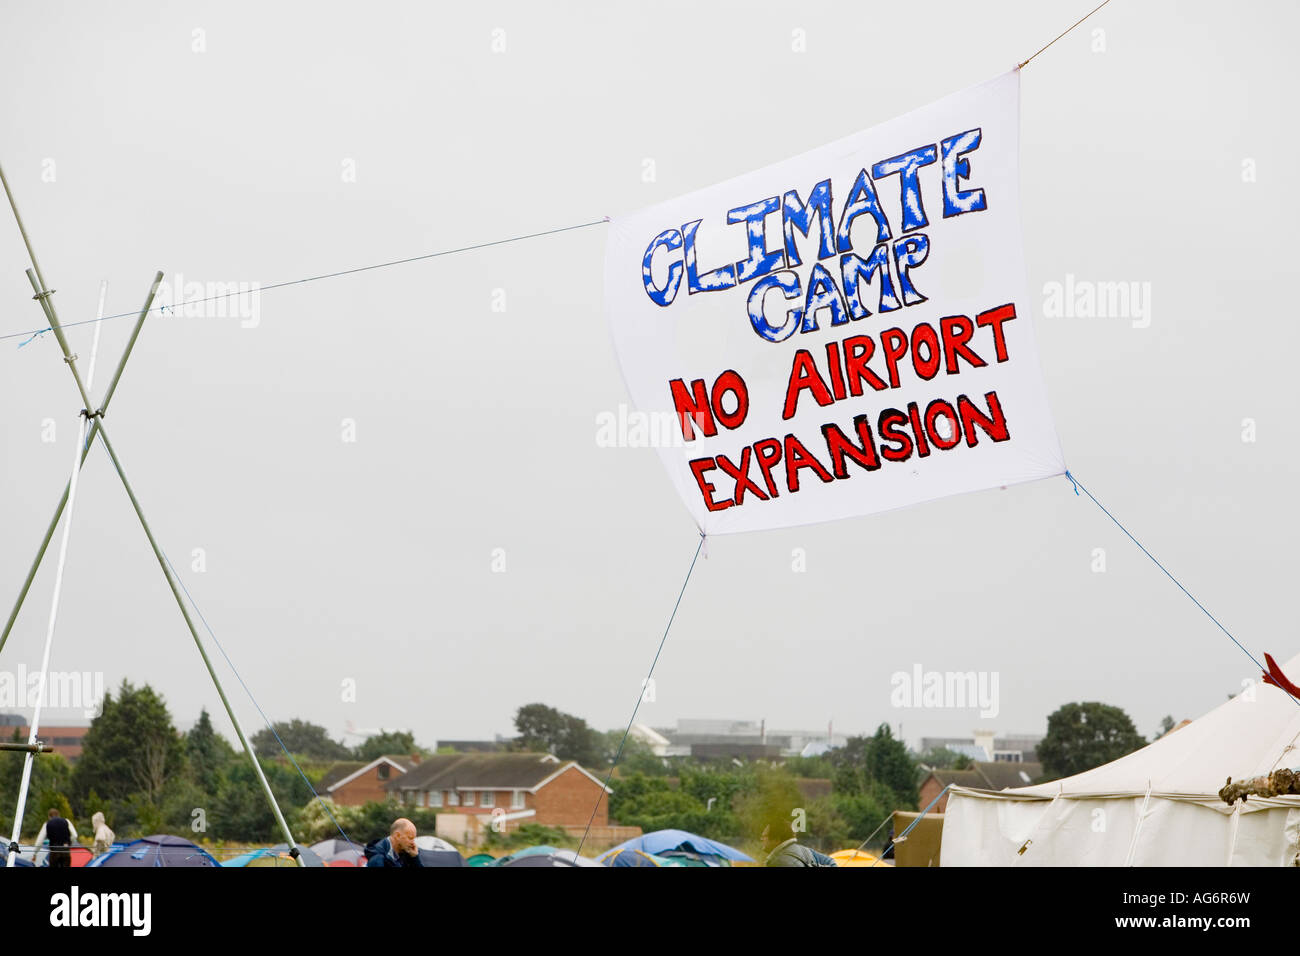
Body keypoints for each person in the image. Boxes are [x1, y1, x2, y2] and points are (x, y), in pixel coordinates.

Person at [761, 824, 837, 867]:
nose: (761, 839)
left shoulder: (779, 861)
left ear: (776, 839)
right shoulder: (802, 849)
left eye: (764, 836)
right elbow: (831, 862)